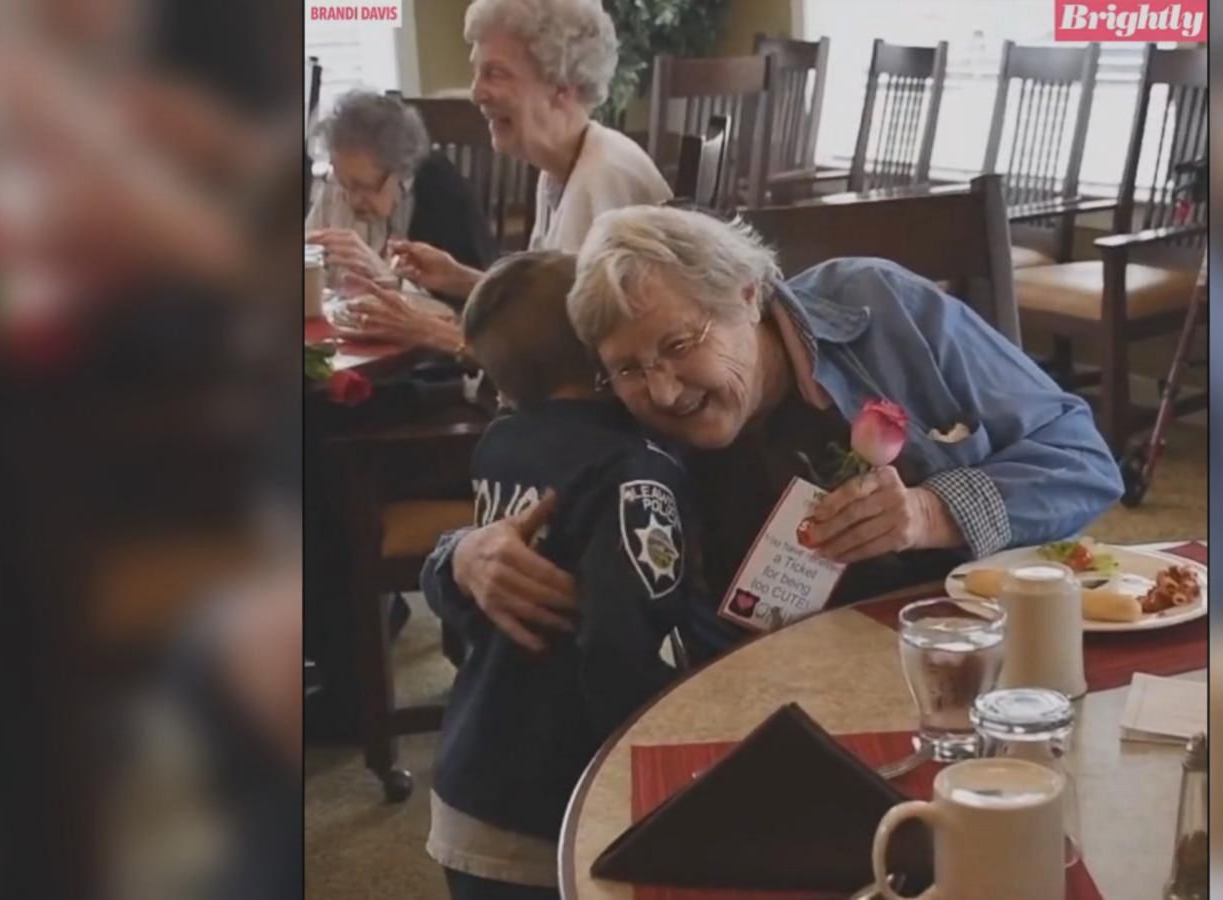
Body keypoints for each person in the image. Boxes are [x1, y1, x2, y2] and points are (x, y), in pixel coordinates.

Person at [452, 205, 1124, 650]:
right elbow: (508, 502)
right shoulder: (610, 414)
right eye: (628, 369)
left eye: (681, 347)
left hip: (968, 655)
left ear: (748, 295)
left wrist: (930, 511)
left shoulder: (883, 311)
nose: (661, 391)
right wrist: (457, 560)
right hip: (754, 689)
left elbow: (1082, 459)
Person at [419, 251, 730, 900]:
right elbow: (620, 647)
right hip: (553, 801)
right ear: (601, 359)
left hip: (471, 767)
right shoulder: (637, 473)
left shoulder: (500, 440)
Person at [370, 0, 672, 324]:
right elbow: (550, 306)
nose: (476, 93)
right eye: (478, 72)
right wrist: (459, 279)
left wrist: (431, 332)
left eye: (495, 74)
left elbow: (575, 354)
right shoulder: (560, 168)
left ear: (562, 87)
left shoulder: (606, 176)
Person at [305, 89, 494, 304]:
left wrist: (384, 275)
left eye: (364, 187)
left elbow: (470, 307)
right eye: (344, 184)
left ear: (400, 170)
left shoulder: (441, 194)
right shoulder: (338, 181)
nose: (353, 200)